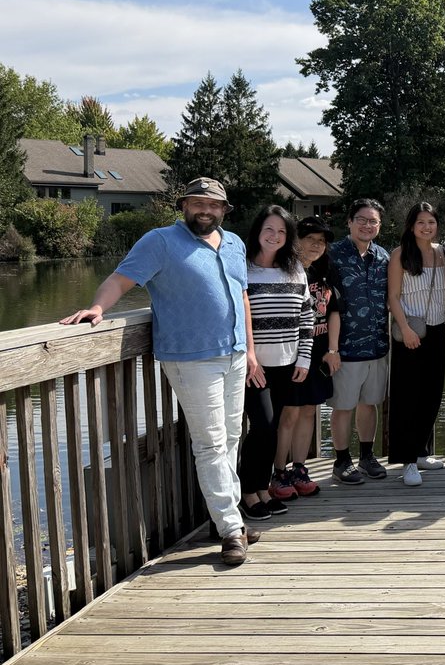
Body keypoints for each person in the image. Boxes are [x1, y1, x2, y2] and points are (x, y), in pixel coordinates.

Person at [60, 177, 260, 566]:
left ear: (224, 210)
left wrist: (251, 350)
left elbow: (241, 296)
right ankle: (232, 529)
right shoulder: (160, 241)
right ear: (184, 206)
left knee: (233, 436)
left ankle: (224, 519)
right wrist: (98, 308)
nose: (206, 210)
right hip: (189, 358)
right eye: (198, 203)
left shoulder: (234, 242)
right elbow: (121, 279)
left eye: (213, 205)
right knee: (211, 442)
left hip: (235, 355)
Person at [239, 205, 314, 521]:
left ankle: (263, 488)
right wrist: (247, 357)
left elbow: (307, 314)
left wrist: (305, 356)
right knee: (264, 428)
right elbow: (234, 317)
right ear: (257, 231)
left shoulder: (295, 269)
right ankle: (247, 492)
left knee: (272, 429)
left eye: (282, 231)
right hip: (254, 367)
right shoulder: (241, 269)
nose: (274, 236)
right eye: (269, 229)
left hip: (287, 362)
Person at [274, 216, 343, 498]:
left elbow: (335, 311)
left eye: (322, 241)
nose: (316, 246)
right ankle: (279, 472)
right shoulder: (283, 271)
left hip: (319, 351)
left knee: (309, 410)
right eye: (310, 239)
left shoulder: (324, 271)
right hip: (291, 353)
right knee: (288, 412)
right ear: (295, 240)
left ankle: (299, 468)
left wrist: (333, 350)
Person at [387, 202, 445, 486]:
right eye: (421, 222)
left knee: (432, 392)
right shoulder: (400, 255)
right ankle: (408, 460)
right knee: (407, 397)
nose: (427, 227)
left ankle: (422, 451)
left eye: (431, 222)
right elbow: (393, 297)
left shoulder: (441, 253)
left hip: (437, 330)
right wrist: (404, 328)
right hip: (410, 332)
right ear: (411, 225)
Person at [327, 199, 391, 484]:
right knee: (343, 405)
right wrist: (330, 348)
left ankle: (367, 456)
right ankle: (341, 461)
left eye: (373, 221)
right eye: (361, 219)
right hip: (345, 347)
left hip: (377, 344)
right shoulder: (333, 255)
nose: (367, 225)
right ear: (350, 222)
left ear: (379, 226)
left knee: (370, 403)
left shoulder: (384, 257)